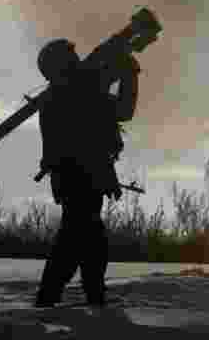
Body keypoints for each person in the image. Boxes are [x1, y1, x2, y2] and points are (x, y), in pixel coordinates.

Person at [34, 38, 139, 308]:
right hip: (81, 178)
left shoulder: (62, 94)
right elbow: (123, 111)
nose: (77, 59)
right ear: (60, 65)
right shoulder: (73, 93)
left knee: (86, 238)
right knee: (79, 239)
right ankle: (58, 298)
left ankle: (87, 296)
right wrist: (128, 74)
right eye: (70, 56)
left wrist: (121, 71)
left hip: (77, 178)